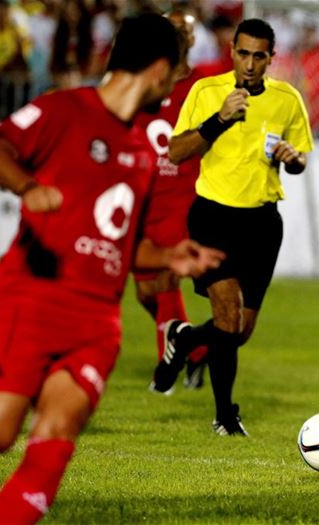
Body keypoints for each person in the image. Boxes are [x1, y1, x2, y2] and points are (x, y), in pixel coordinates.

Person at [0, 14, 224, 524]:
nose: (176, 85)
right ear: (160, 71)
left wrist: (167, 257)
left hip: (95, 323)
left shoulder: (144, 150)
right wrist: (28, 188)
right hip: (31, 298)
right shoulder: (64, 109)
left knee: (55, 434)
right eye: (176, 71)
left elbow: (125, 243)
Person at [149, 18, 314, 436]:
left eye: (260, 56)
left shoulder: (287, 100)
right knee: (227, 314)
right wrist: (219, 120)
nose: (251, 64)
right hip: (213, 217)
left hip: (261, 224)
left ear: (271, 58)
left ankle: (184, 340)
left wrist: (293, 159)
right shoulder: (207, 93)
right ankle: (225, 416)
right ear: (232, 52)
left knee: (238, 332)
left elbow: (300, 159)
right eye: (244, 53)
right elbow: (176, 151)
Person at [135, 10, 209, 392]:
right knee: (145, 292)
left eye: (185, 29)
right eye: (172, 28)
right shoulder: (145, 80)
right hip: (147, 196)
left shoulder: (206, 83)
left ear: (193, 38)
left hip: (186, 194)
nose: (179, 35)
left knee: (166, 279)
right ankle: (193, 349)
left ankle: (165, 374)